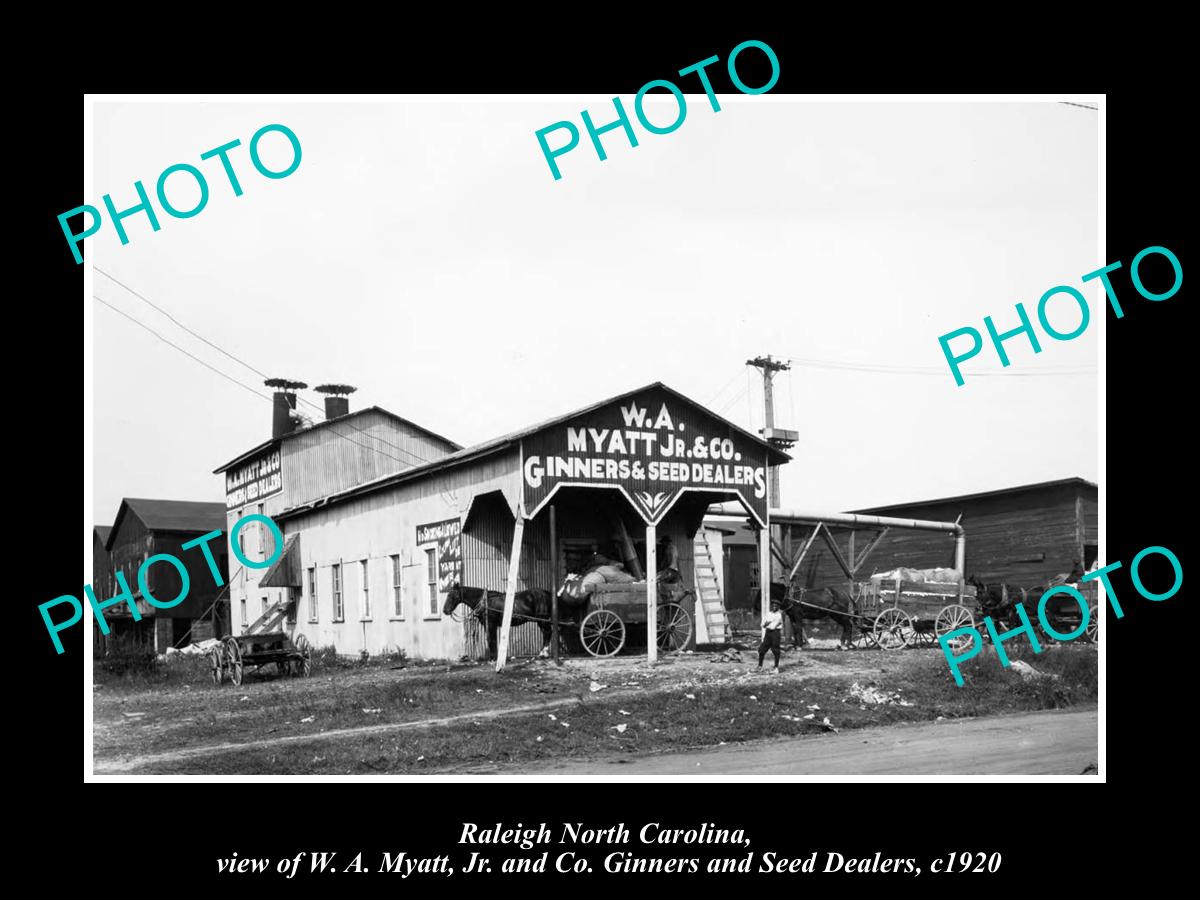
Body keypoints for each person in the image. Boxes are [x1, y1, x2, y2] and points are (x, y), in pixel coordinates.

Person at [758, 599, 784, 672]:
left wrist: (767, 623)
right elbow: (762, 624)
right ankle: (759, 666)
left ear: (778, 607)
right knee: (761, 649)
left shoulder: (779, 615)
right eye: (773, 605)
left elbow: (773, 626)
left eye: (776, 606)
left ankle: (776, 667)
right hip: (768, 633)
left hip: (775, 633)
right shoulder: (768, 614)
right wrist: (767, 624)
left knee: (775, 650)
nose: (774, 607)